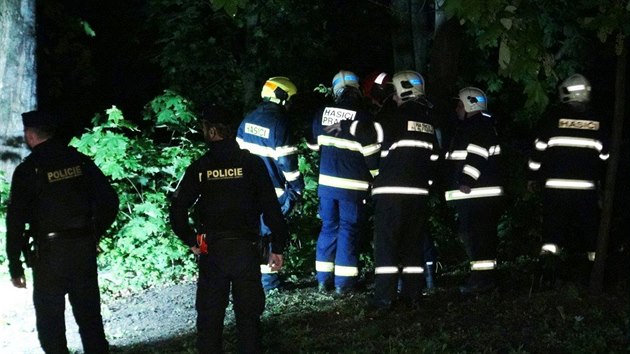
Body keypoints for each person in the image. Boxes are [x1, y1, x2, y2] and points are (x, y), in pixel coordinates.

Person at [169, 105, 288, 354]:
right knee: (249, 320)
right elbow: (271, 208)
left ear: (211, 131)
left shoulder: (199, 168)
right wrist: (277, 247)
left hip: (212, 251)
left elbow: (177, 209)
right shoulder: (252, 164)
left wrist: (191, 240)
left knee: (210, 322)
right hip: (246, 250)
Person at [6, 110, 118, 354]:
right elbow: (109, 200)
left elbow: (14, 221)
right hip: (82, 250)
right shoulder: (78, 161)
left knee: (50, 324)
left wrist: (15, 265)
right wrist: (95, 232)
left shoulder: (28, 170)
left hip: (49, 255)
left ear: (30, 135)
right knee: (90, 319)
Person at [527, 74, 608, 285]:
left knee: (552, 234)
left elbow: (538, 151)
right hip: (587, 191)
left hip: (556, 189)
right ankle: (594, 276)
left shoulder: (553, 116)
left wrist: (532, 177)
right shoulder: (597, 120)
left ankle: (546, 276)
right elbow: (605, 156)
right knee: (590, 234)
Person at [307, 70, 382, 295]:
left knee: (329, 227)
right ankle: (344, 284)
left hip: (327, 185)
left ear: (336, 90)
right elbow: (372, 155)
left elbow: (312, 145)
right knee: (349, 229)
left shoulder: (322, 114)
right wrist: (377, 177)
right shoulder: (364, 117)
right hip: (354, 187)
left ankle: (322, 280)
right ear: (357, 89)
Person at [370, 70, 440, 309]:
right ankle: (414, 295)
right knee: (412, 246)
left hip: (390, 192)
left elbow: (371, 136)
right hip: (418, 194)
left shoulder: (393, 117)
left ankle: (384, 298)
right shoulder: (428, 122)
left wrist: (346, 125)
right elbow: (435, 158)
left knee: (387, 245)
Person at [236, 76, 304, 292]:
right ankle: (269, 282)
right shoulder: (279, 123)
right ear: (283, 97)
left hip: (246, 188)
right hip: (272, 191)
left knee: (253, 233)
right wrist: (297, 187)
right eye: (291, 99)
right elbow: (287, 161)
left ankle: (251, 276)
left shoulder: (247, 120)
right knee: (269, 233)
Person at [443, 87, 504, 295]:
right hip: (478, 196)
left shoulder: (477, 126)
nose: (457, 109)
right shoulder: (479, 125)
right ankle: (482, 278)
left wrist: (466, 180)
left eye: (459, 105)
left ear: (470, 105)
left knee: (478, 239)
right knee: (477, 238)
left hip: (478, 195)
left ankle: (482, 281)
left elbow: (477, 154)